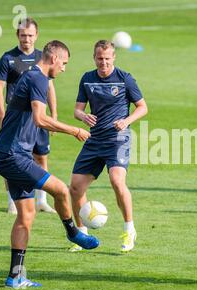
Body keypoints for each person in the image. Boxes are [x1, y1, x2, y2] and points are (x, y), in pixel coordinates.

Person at [0, 40, 99, 289]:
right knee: (62, 190)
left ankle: (15, 277)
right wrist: (74, 130)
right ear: (54, 58)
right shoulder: (38, 78)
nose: (64, 69)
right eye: (64, 63)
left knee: (26, 216)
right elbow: (40, 119)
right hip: (12, 155)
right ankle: (73, 232)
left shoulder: (33, 78)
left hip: (10, 154)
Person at [68, 40, 148, 253]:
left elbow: (142, 107)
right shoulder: (87, 79)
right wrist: (83, 116)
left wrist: (126, 121)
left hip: (117, 140)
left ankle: (129, 229)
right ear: (94, 58)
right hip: (94, 140)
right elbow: (77, 110)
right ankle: (82, 235)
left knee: (116, 180)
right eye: (99, 58)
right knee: (75, 187)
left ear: (114, 58)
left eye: (107, 58)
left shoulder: (125, 79)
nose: (103, 62)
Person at [0, 17, 57, 214]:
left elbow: (50, 87)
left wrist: (53, 113)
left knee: (41, 156)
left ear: (36, 36)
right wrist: (2, 115)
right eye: (23, 35)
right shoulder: (8, 58)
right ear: (17, 36)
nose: (26, 39)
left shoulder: (42, 58)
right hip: (17, 120)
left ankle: (41, 201)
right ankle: (13, 200)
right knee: (15, 156)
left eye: (30, 35)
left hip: (38, 118)